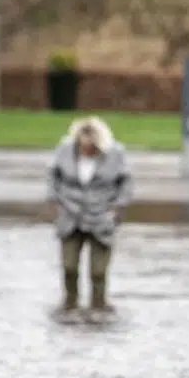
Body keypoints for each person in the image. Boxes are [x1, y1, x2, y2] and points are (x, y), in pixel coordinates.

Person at [47, 116, 132, 311]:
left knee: (98, 271)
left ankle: (99, 305)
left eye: (92, 146)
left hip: (102, 215)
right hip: (70, 214)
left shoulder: (115, 153)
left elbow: (126, 182)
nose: (87, 149)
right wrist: (55, 203)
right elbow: (52, 176)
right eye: (83, 144)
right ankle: (70, 302)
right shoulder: (64, 151)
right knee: (69, 267)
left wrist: (117, 209)